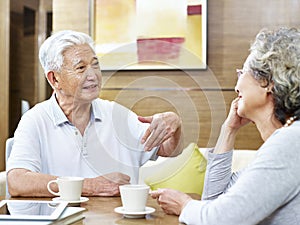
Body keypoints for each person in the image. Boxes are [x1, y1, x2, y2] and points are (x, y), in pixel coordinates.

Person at [151, 27, 300, 225]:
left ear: (267, 82)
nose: (237, 85)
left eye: (242, 72)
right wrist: (228, 130)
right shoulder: (287, 141)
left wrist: (184, 204)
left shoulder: (290, 143)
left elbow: (220, 220)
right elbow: (213, 200)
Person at [6, 30, 183, 197]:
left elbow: (167, 149)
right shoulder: (35, 120)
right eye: (81, 68)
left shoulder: (116, 114)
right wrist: (90, 186)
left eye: (95, 65)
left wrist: (174, 124)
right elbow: (17, 181)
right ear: (55, 79)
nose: (93, 75)